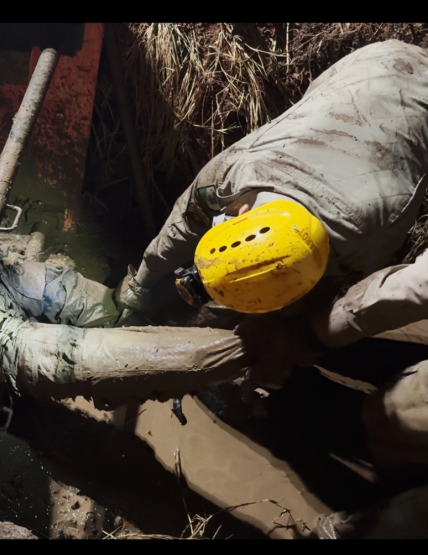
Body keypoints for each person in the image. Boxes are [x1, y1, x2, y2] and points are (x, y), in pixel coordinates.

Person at [113, 40, 428, 466]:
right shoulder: (232, 174)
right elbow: (180, 227)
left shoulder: (375, 226)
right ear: (239, 213)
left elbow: (361, 295)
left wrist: (295, 329)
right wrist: (139, 286)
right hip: (363, 71)